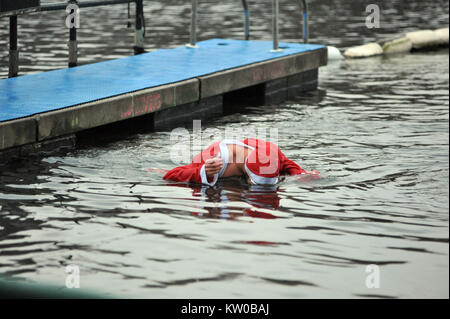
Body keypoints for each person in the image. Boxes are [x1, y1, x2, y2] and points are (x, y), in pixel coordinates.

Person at [163, 138, 320, 186]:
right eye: (253, 182)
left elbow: (286, 163)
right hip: (216, 156)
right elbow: (171, 175)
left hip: (249, 143)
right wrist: (204, 171)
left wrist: (302, 174)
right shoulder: (215, 160)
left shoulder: (269, 152)